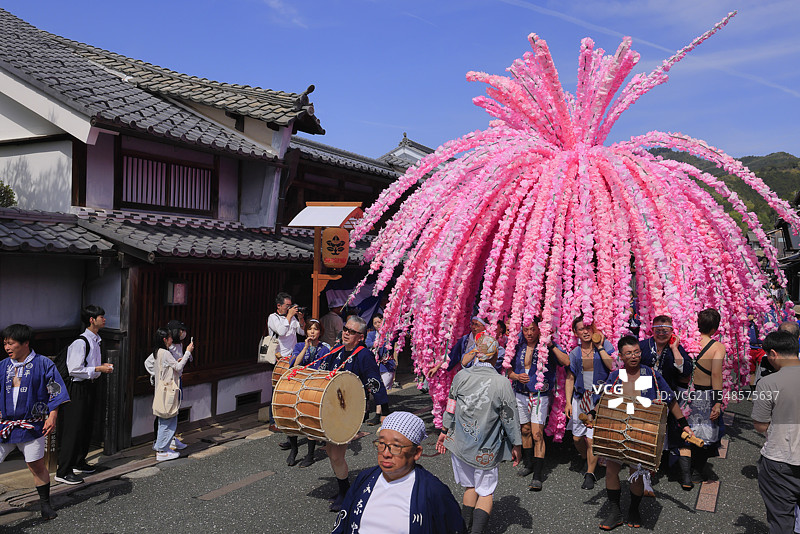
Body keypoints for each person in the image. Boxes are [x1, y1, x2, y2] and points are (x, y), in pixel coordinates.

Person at [595, 336, 694, 530]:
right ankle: (615, 511)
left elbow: (671, 400)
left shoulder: (649, 374)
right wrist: (593, 416)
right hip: (616, 428)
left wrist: (684, 424)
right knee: (611, 470)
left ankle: (634, 509)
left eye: (637, 352)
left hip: (641, 430)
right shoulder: (616, 375)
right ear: (621, 356)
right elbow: (602, 399)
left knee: (636, 473)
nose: (634, 356)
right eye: (629, 353)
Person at [436, 334, 522, 534]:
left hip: (460, 442)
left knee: (469, 487)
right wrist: (516, 444)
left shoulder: (461, 376)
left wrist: (444, 430)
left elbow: (451, 406)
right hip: (486, 447)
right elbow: (509, 418)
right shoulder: (502, 383)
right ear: (494, 357)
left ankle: (463, 528)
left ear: (476, 353)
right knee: (485, 491)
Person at [332, 412, 466, 534]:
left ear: (417, 452)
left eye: (396, 446)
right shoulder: (365, 478)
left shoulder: (434, 491)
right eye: (381, 443)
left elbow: (454, 528)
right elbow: (343, 522)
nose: (385, 453)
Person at [316, 315, 390, 512]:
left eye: (351, 331)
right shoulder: (337, 350)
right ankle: (344, 488)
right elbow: (322, 372)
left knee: (337, 454)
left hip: (350, 411)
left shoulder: (363, 355)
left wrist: (385, 411)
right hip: (333, 409)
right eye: (345, 330)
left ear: (361, 337)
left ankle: (346, 493)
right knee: (332, 452)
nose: (346, 333)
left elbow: (375, 382)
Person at [1, 324, 70, 520]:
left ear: (25, 343)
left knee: (36, 466)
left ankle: (45, 505)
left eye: (11, 343)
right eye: (5, 343)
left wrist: (53, 415)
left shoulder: (43, 364)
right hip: (4, 425)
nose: (7, 347)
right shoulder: (3, 366)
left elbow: (55, 390)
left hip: (32, 425)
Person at [507, 318, 569, 490]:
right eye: (526, 329)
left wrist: (551, 346)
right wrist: (516, 377)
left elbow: (566, 362)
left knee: (537, 434)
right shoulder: (517, 346)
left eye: (532, 329)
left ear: (539, 330)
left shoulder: (547, 347)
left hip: (539, 395)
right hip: (520, 393)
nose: (529, 333)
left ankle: (538, 474)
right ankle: (529, 464)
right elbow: (508, 370)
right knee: (525, 430)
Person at [55, 305, 114, 485]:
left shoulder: (96, 340)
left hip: (89, 386)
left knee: (85, 426)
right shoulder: (81, 342)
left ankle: (79, 461)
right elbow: (74, 369)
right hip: (76, 388)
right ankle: (63, 470)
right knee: (73, 429)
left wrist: (98, 368)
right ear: (91, 320)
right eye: (101, 317)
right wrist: (98, 368)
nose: (104, 319)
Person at [751, 330, 800, 534]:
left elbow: (760, 424)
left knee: (781, 520)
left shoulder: (769, 383)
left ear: (773, 353)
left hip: (782, 459)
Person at [638, 315, 693, 489]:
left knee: (678, 432)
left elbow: (686, 371)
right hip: (646, 397)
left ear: (672, 332)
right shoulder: (642, 347)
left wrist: (675, 348)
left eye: (666, 330)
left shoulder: (675, 348)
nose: (661, 334)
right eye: (658, 330)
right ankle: (648, 471)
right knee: (648, 435)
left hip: (671, 396)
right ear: (652, 330)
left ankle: (685, 475)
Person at [564, 315, 615, 490]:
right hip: (580, 398)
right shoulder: (575, 353)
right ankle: (587, 458)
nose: (585, 331)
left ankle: (590, 473)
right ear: (575, 332)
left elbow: (612, 366)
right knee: (577, 437)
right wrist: (568, 403)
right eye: (581, 329)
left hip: (598, 399)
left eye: (588, 327)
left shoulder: (604, 345)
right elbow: (570, 378)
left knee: (591, 440)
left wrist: (600, 346)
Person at [281, 319, 330, 468]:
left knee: (309, 419)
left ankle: (310, 454)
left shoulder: (325, 349)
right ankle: (294, 449)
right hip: (298, 385)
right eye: (310, 329)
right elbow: (295, 365)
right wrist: (305, 348)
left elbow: (324, 370)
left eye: (315, 329)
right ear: (306, 331)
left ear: (320, 332)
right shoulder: (300, 345)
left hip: (314, 386)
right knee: (292, 416)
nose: (312, 332)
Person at [687, 308, 726, 482]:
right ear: (714, 329)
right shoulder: (717, 347)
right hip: (705, 394)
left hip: (686, 393)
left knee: (687, 430)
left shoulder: (689, 341)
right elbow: (716, 375)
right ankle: (696, 470)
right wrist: (718, 402)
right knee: (704, 433)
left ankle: (682, 467)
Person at [144, 320, 194, 450]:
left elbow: (176, 365)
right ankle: (159, 441)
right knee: (163, 412)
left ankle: (170, 438)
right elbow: (149, 363)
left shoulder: (178, 345)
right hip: (166, 384)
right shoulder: (166, 349)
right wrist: (158, 375)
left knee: (173, 410)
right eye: (180, 331)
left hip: (176, 381)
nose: (183, 333)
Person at [366, 314, 398, 424]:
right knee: (377, 388)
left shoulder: (389, 334)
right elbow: (368, 343)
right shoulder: (371, 334)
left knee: (381, 388)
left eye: (379, 322)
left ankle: (378, 414)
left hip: (387, 365)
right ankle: (385, 412)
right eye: (375, 323)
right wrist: (376, 343)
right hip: (375, 366)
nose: (377, 325)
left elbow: (396, 337)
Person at [268, 292, 306, 358]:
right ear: (279, 306)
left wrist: (301, 318)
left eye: (290, 306)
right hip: (279, 356)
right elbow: (281, 332)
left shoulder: (292, 318)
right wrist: (289, 315)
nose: (289, 308)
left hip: (292, 354)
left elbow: (302, 332)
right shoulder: (273, 317)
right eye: (287, 306)